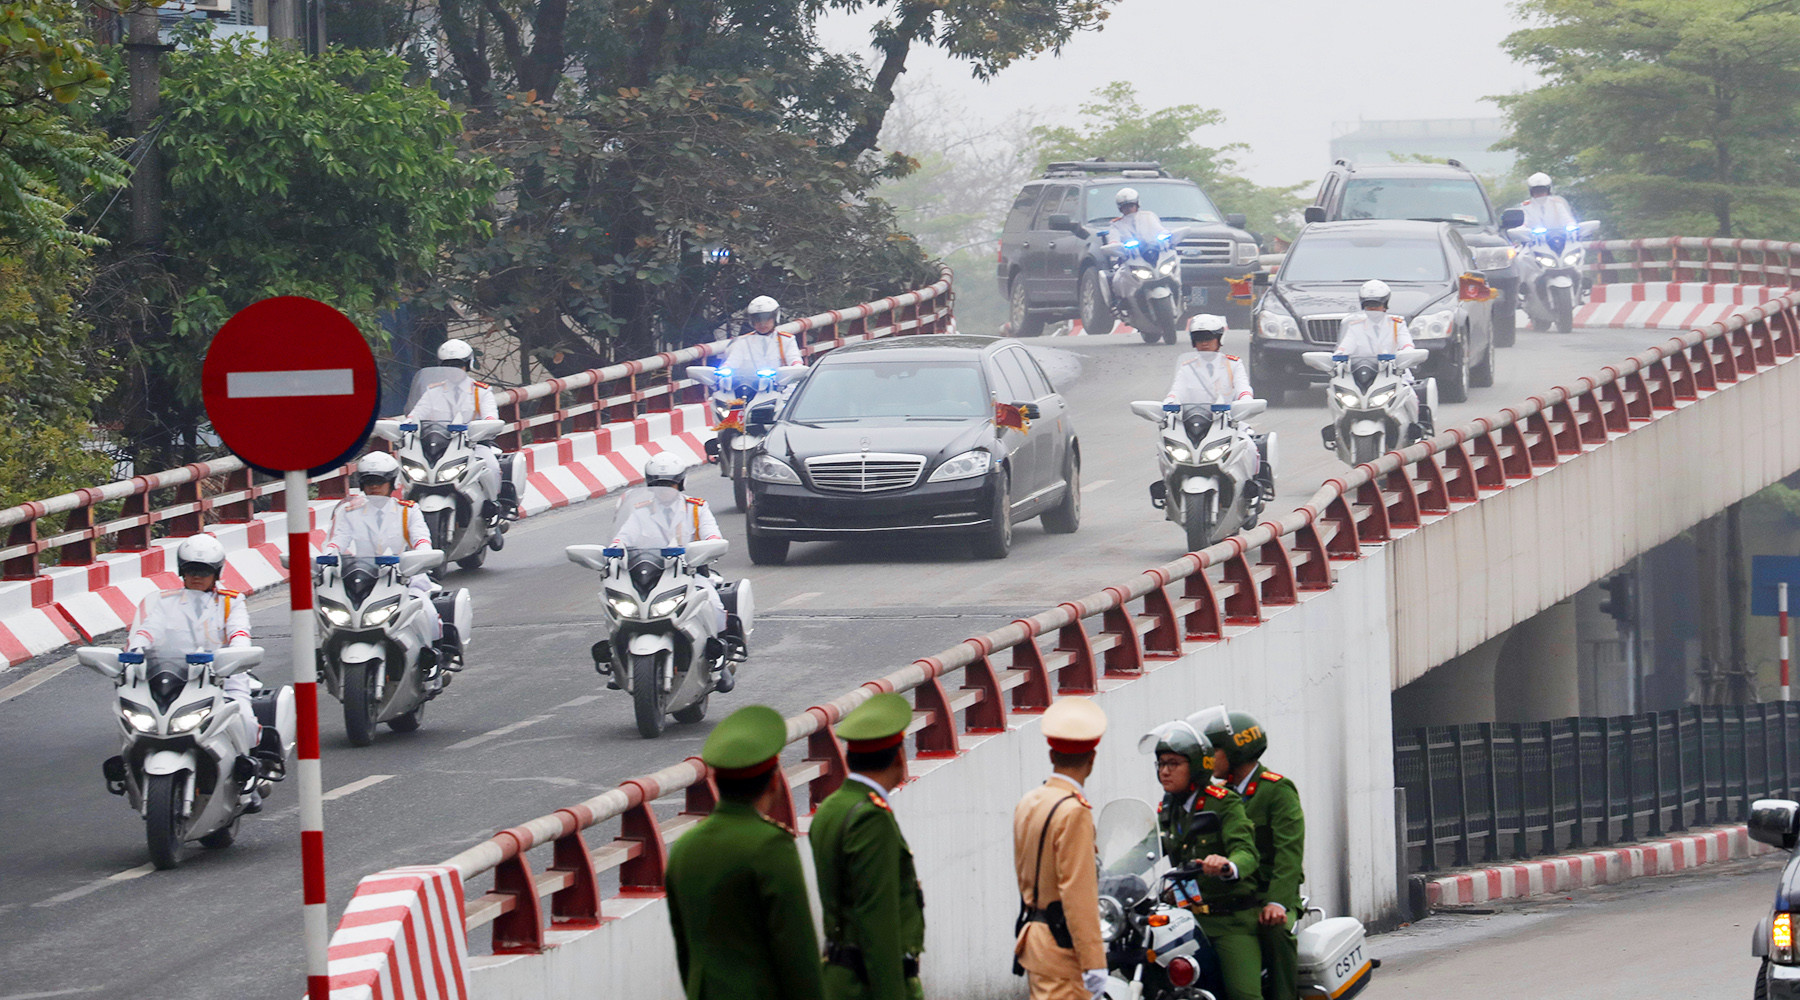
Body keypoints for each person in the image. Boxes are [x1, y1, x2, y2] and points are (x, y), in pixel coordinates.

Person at [665, 704, 826, 1000]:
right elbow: (797, 955)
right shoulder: (770, 846)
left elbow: (686, 953)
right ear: (775, 781)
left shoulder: (684, 849)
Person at [127, 534, 276, 808]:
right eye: (190, 571)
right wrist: (136, 648)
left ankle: (248, 782)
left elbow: (239, 632)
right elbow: (150, 629)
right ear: (181, 572)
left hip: (223, 676)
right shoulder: (166, 602)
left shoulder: (231, 602)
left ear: (215, 573)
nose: (196, 577)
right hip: (177, 677)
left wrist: (237, 653)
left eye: (203, 571)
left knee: (243, 716)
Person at [810, 693, 926, 1000]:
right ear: (900, 755)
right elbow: (878, 923)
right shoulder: (871, 818)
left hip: (840, 977)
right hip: (868, 986)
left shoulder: (833, 807)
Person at [1148, 715, 1261, 1000]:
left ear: (1197, 766)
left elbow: (1246, 852)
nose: (1164, 771)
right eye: (1161, 764)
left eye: (1173, 763)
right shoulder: (1168, 807)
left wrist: (1227, 865)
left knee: (1242, 995)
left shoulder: (1223, 803)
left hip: (1228, 919)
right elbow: (1148, 846)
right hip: (1185, 918)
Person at [607, 454, 745, 688]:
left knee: (715, 604)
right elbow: (623, 536)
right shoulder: (641, 511)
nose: (664, 490)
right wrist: (615, 549)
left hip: (690, 574)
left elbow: (713, 535)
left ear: (680, 483)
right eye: (658, 485)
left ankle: (720, 662)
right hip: (649, 575)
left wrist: (709, 545)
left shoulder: (696, 509)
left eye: (669, 484)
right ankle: (616, 662)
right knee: (616, 604)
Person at [324, 452, 458, 680]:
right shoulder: (349, 512)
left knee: (425, 607)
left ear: (392, 482)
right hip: (363, 575)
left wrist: (421, 555)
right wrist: (329, 554)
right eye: (369, 482)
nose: (374, 487)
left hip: (404, 574)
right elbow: (338, 539)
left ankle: (436, 660)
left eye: (379, 481)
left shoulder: (408, 510)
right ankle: (326, 661)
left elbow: (421, 540)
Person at [1202, 711, 1305, 1000]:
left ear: (1236, 750)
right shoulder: (1219, 797)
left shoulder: (1276, 790)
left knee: (1275, 930)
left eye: (1215, 750)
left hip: (1269, 894)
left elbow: (1289, 853)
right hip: (1233, 895)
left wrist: (1277, 902)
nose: (1209, 759)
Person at [1012, 696, 1109, 1000]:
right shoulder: (1074, 811)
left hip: (1036, 938)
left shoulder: (1031, 801)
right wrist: (1095, 961)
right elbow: (1077, 893)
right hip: (1061, 948)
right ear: (1092, 758)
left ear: (1051, 753)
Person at [407, 339, 522, 523]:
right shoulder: (432, 391)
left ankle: (493, 510)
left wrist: (486, 426)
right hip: (439, 447)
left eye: (458, 365)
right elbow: (414, 416)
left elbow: (491, 417)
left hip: (473, 444)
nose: (454, 370)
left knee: (491, 467)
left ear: (468, 365)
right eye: (449, 366)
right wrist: (406, 425)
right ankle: (409, 512)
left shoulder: (481, 392)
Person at [1161, 314, 1271, 503]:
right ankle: (1168, 493)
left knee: (1250, 447)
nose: (1203, 343)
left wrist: (1245, 402)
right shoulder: (1187, 368)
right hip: (1194, 423)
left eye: (1208, 338)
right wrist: (1169, 403)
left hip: (1228, 421)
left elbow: (1243, 388)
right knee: (1166, 449)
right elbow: (1176, 391)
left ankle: (1254, 495)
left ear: (1219, 339)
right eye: (1198, 339)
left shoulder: (1233, 364)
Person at [1331, 279, 1429, 436]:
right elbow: (1344, 348)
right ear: (1363, 305)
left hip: (1394, 374)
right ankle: (1338, 431)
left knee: (1408, 394)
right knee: (1335, 394)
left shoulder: (1397, 324)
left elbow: (1407, 345)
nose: (1373, 308)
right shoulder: (1355, 326)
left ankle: (1416, 430)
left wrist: (1407, 356)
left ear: (1385, 304)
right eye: (1369, 305)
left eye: (1377, 304)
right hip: (1364, 376)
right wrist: (1336, 359)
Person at [721, 296, 802, 373]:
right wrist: (726, 367)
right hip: (750, 384)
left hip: (780, 384)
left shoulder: (787, 339)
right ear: (752, 321)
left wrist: (797, 366)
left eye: (767, 320)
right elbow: (733, 360)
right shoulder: (743, 341)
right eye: (757, 320)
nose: (762, 324)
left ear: (775, 318)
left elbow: (794, 358)